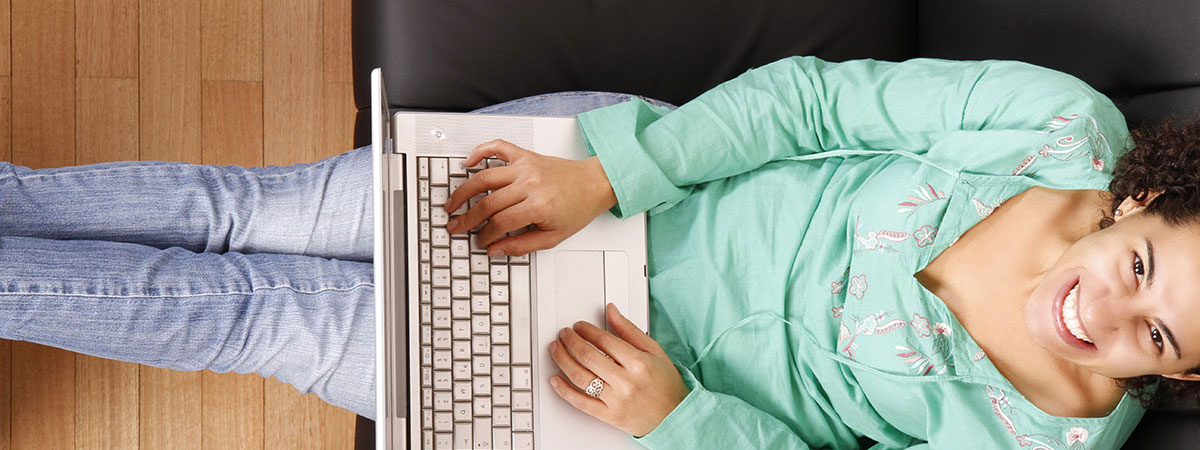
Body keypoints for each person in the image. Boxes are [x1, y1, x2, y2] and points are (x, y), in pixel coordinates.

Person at [0, 55, 1195, 449]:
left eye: (1160, 337)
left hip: (596, 386)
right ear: (1142, 194)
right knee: (243, 212)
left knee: (250, 315)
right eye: (1139, 267)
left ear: (1185, 375)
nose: (1102, 317)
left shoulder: (1052, 440)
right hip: (613, 194)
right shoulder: (1059, 129)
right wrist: (606, 173)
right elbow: (814, 105)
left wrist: (681, 417)